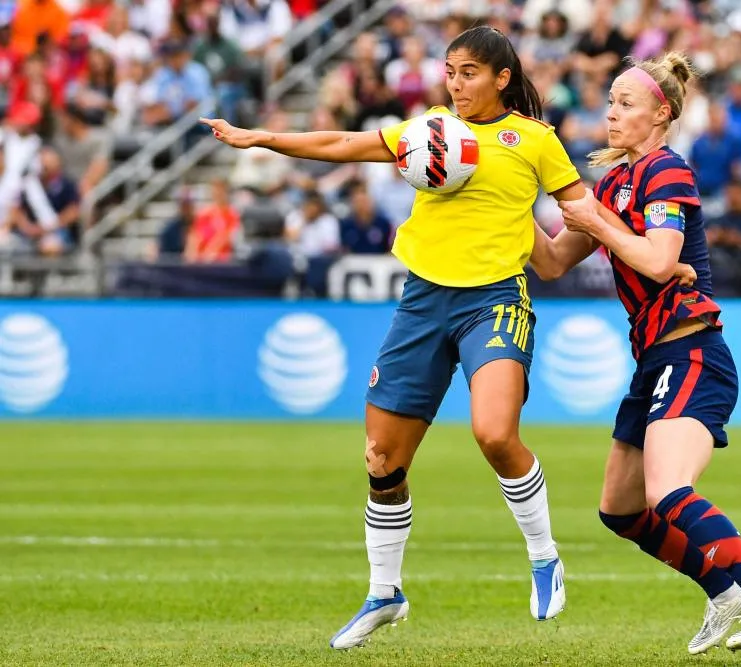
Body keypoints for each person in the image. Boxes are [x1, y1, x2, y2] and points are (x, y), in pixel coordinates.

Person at [202, 25, 588, 649]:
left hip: (493, 300)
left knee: (493, 432)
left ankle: (544, 557)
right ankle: (385, 593)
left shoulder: (534, 141)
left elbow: (582, 212)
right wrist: (264, 139)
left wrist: (595, 245)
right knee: (383, 462)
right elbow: (345, 143)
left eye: (468, 73)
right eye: (450, 71)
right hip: (421, 302)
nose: (456, 84)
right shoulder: (430, 130)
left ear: (502, 78)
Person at [529, 52, 741, 655]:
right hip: (654, 360)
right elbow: (550, 262)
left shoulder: (667, 171)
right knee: (621, 509)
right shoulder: (613, 184)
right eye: (609, 103)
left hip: (692, 352)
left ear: (662, 114)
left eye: (625, 104)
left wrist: (599, 224)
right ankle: (722, 590)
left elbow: (657, 259)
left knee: (669, 493)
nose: (611, 113)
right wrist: (505, 199)